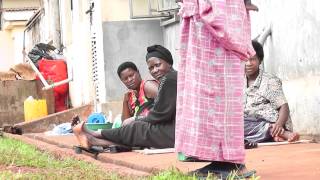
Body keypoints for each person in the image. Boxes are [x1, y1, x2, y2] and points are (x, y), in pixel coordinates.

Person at [175, 0, 257, 178]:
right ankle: (222, 161)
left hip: (219, 12)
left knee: (221, 91)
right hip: (206, 18)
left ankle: (231, 162)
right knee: (206, 93)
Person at [73, 45, 177, 149]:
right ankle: (95, 140)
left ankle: (96, 135)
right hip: (169, 128)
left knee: (136, 128)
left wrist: (137, 119)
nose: (154, 70)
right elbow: (125, 121)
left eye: (158, 65)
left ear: (169, 62)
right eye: (151, 68)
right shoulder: (131, 95)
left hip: (174, 131)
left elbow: (160, 113)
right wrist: (125, 103)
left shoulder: (156, 83)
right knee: (133, 128)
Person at [244, 40, 299, 143]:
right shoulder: (237, 82)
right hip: (249, 124)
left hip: (273, 123)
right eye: (245, 59)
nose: (248, 63)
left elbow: (284, 106)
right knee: (231, 126)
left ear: (260, 60)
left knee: (239, 124)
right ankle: (271, 136)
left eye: (253, 59)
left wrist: (278, 125)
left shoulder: (270, 80)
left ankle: (276, 132)